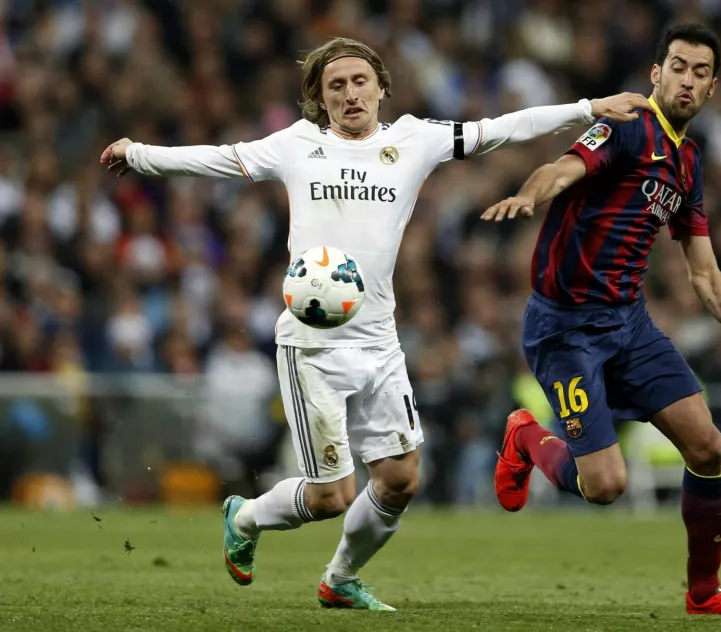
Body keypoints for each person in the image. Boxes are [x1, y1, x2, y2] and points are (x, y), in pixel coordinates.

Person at [101, 37, 650, 610]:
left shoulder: (413, 139)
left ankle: (339, 579)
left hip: (378, 340)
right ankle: (246, 518)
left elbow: (499, 128)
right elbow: (213, 158)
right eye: (335, 86)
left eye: (360, 81)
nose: (350, 93)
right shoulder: (297, 145)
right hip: (311, 346)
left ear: (381, 87)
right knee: (332, 496)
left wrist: (586, 109)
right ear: (319, 98)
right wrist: (139, 153)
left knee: (400, 479)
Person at [483, 24, 721, 618]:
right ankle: (523, 435)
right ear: (656, 73)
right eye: (678, 67)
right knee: (606, 486)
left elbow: (703, 269)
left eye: (700, 72)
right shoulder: (626, 126)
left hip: (630, 325)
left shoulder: (688, 163)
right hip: (565, 330)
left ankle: (705, 594)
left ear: (712, 87)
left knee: (708, 448)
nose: (687, 80)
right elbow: (562, 168)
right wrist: (531, 194)